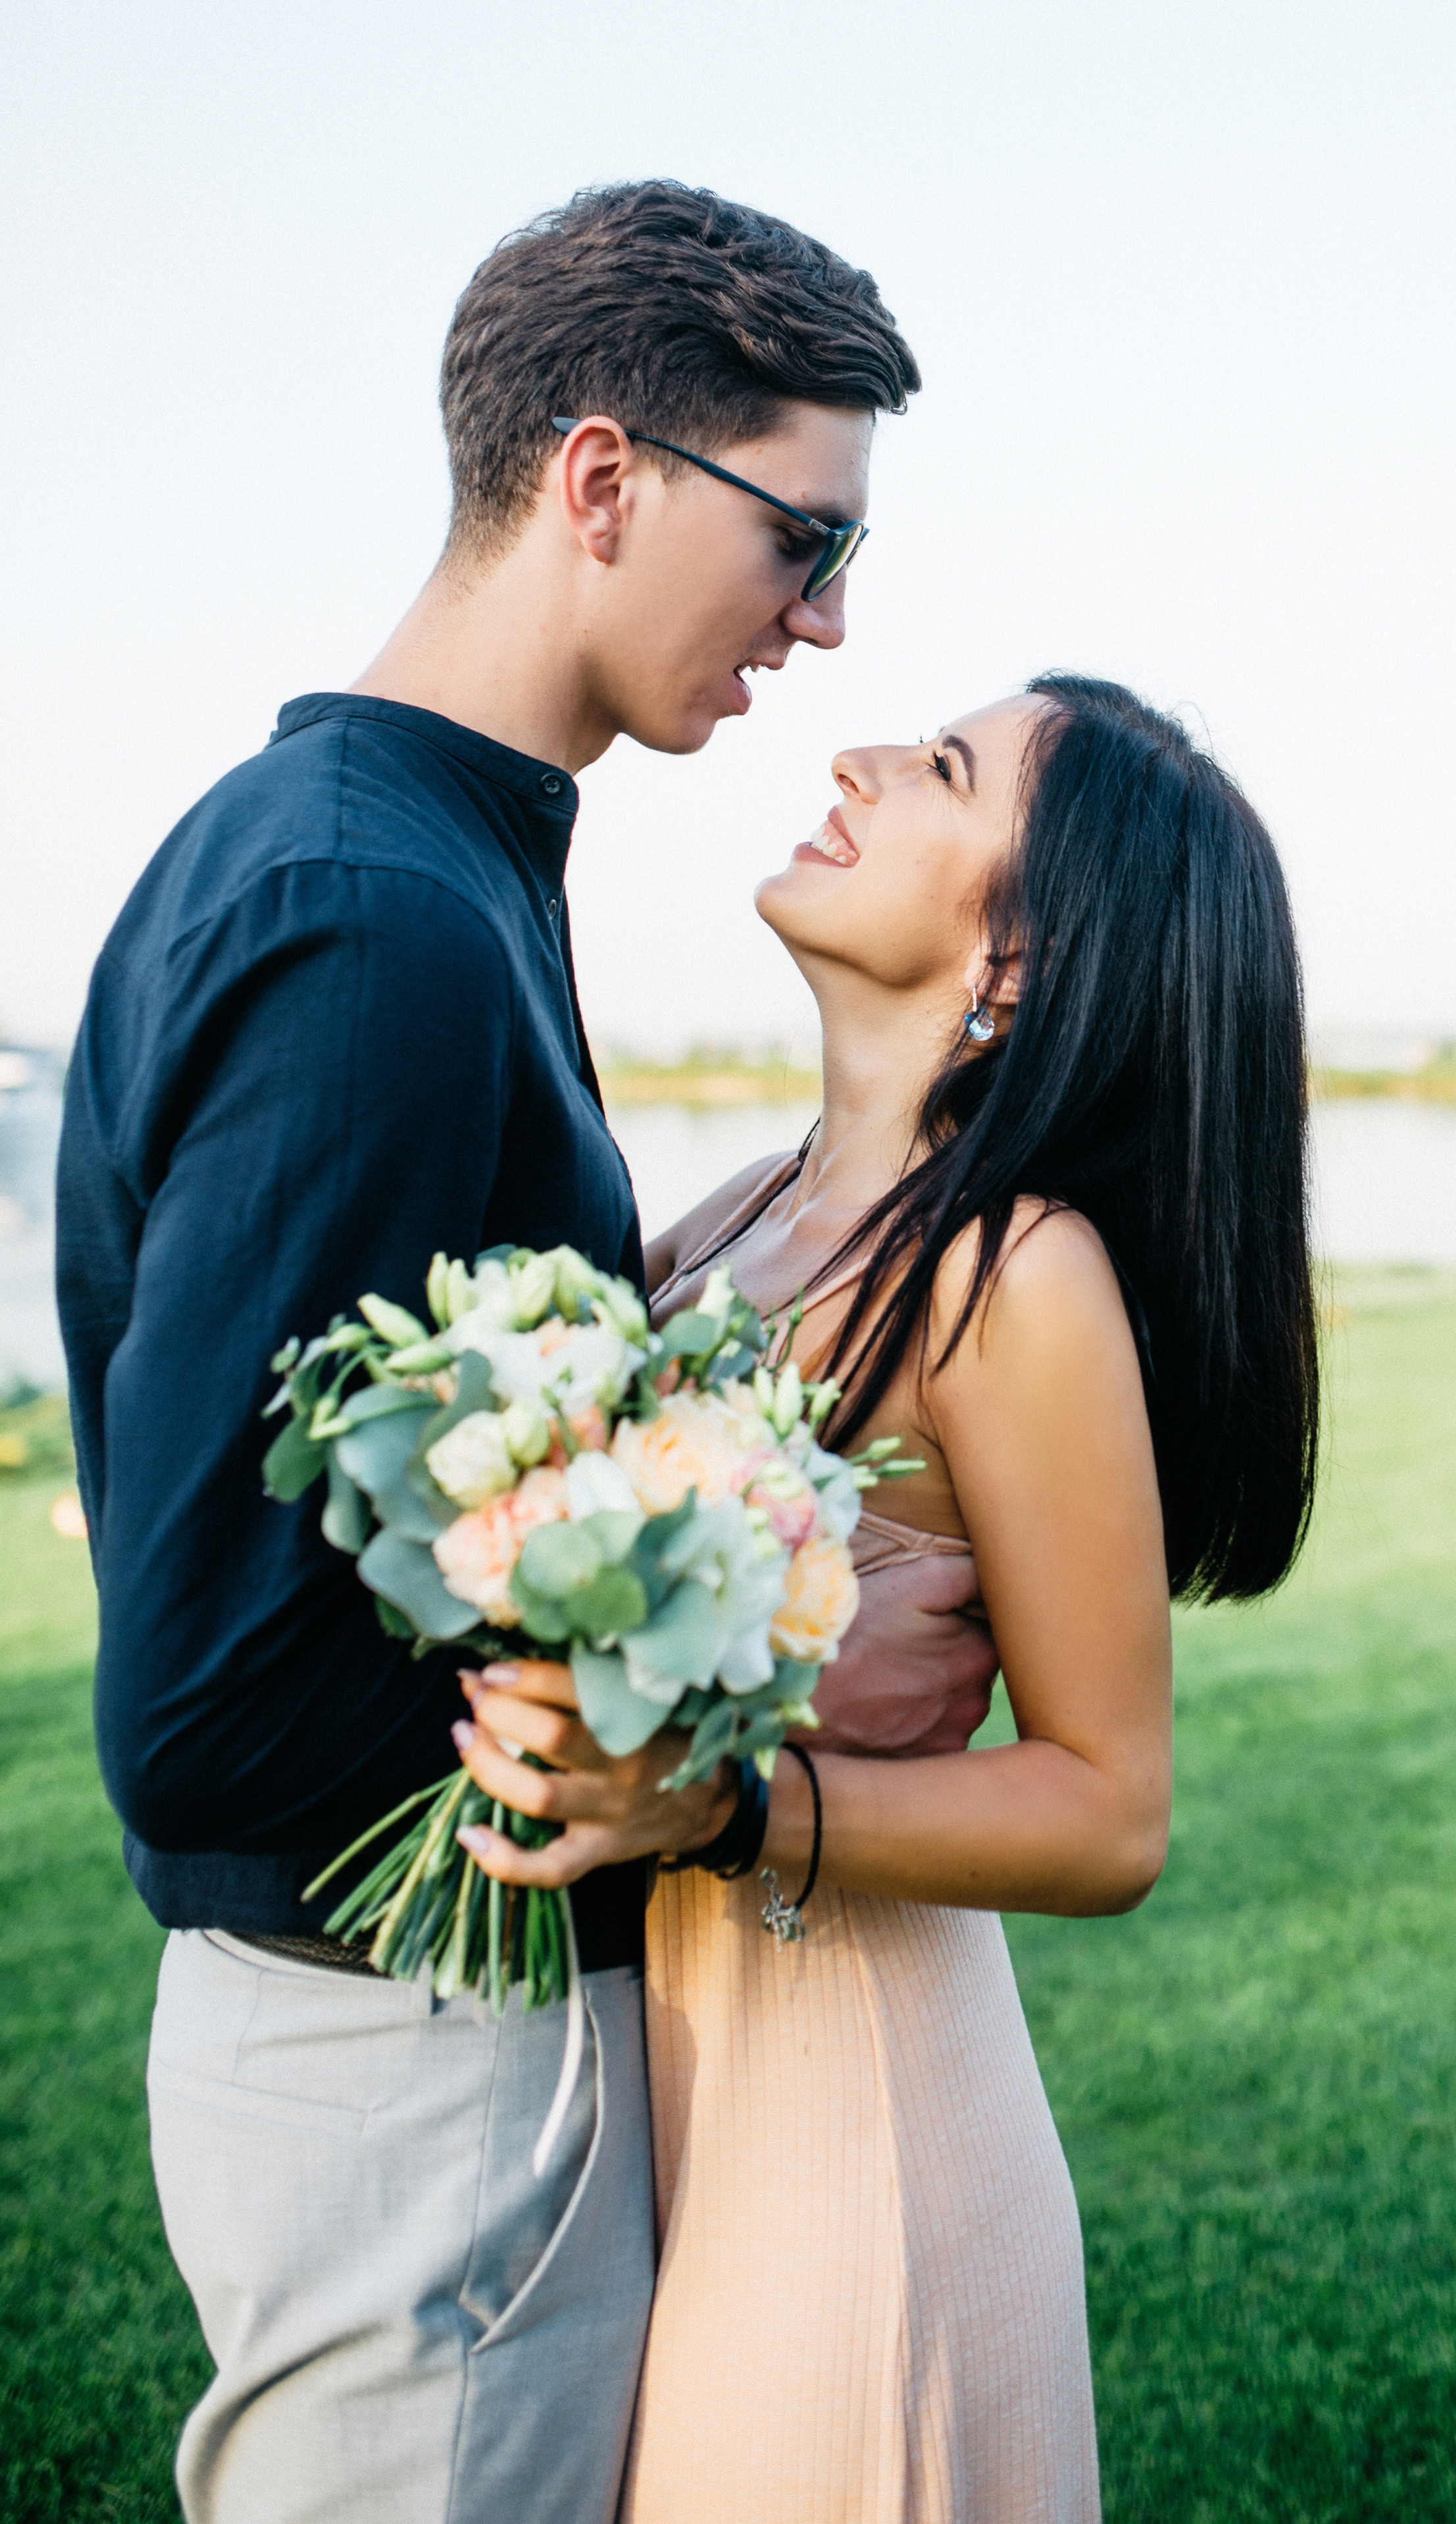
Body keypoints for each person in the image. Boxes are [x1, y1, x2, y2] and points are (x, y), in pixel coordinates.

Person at [54, 182, 982, 2524]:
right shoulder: (375, 912)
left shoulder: (406, 853)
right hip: (408, 2058)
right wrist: (688, 1699)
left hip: (405, 2051)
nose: (832, 620)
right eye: (802, 537)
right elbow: (202, 1702)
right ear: (600, 481)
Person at [457, 675, 1322, 2519]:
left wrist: (728, 1806)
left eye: (940, 769)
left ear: (1025, 954)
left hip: (853, 2150)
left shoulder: (1013, 1274)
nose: (853, 754)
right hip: (652, 2097)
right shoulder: (739, 1215)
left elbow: (1111, 1806)